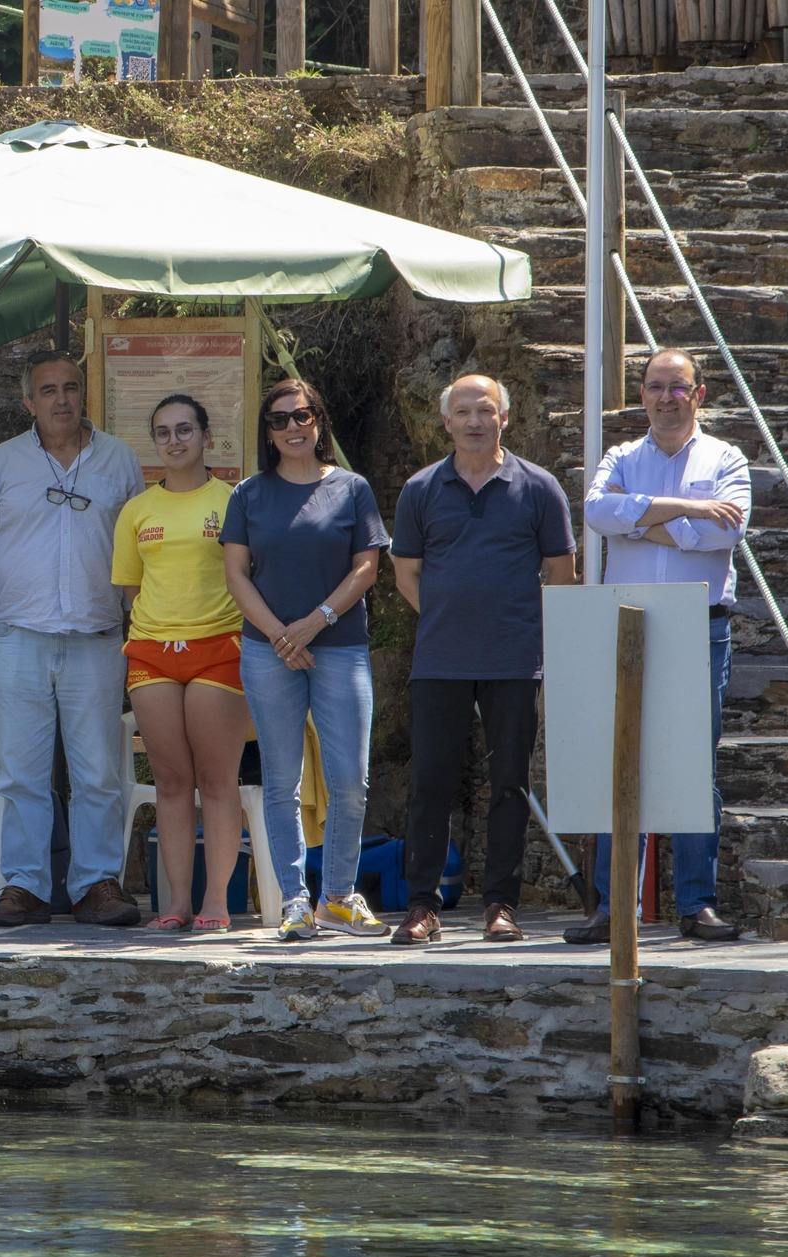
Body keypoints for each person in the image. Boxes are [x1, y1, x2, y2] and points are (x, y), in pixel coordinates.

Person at [0, 348, 145, 927]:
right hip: (18, 636)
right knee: (20, 771)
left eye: (69, 388)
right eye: (48, 390)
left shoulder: (119, 460)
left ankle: (96, 885)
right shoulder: (0, 464)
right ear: (27, 401)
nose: (61, 399)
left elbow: (138, 549)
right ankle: (26, 885)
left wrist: (140, 631)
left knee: (98, 772)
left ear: (82, 394)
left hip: (98, 636)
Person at [388, 374, 577, 947]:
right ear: (445, 422)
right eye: (463, 412)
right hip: (440, 659)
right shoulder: (421, 489)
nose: (474, 421)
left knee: (510, 787)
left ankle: (501, 905)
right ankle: (422, 906)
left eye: (485, 410)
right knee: (430, 784)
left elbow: (562, 574)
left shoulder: (539, 487)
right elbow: (405, 574)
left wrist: (514, 629)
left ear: (504, 418)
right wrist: (451, 617)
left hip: (515, 661)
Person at [570, 347, 749, 944]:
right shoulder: (621, 454)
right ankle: (611, 906)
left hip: (701, 623)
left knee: (695, 764)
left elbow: (723, 532)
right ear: (641, 394)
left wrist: (644, 522)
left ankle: (697, 904)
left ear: (699, 394)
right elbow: (597, 512)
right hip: (627, 622)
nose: (666, 397)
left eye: (678, 387)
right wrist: (689, 510)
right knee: (620, 759)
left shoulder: (728, 457)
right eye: (654, 386)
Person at [221, 377, 392, 942]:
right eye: (279, 419)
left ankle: (338, 898)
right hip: (269, 650)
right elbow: (236, 575)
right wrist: (279, 636)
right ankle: (295, 901)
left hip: (339, 646)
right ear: (267, 431)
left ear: (318, 420)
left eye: (301, 416)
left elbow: (366, 569)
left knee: (350, 780)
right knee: (280, 781)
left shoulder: (351, 488)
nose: (292, 427)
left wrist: (314, 621)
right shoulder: (248, 493)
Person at [112, 394, 250, 933]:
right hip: (151, 650)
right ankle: (174, 904)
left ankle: (215, 901)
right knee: (171, 781)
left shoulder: (236, 500)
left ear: (206, 437)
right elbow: (130, 588)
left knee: (217, 779)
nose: (175, 440)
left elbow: (249, 575)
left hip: (220, 647)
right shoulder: (137, 510)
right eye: (163, 432)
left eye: (184, 430)